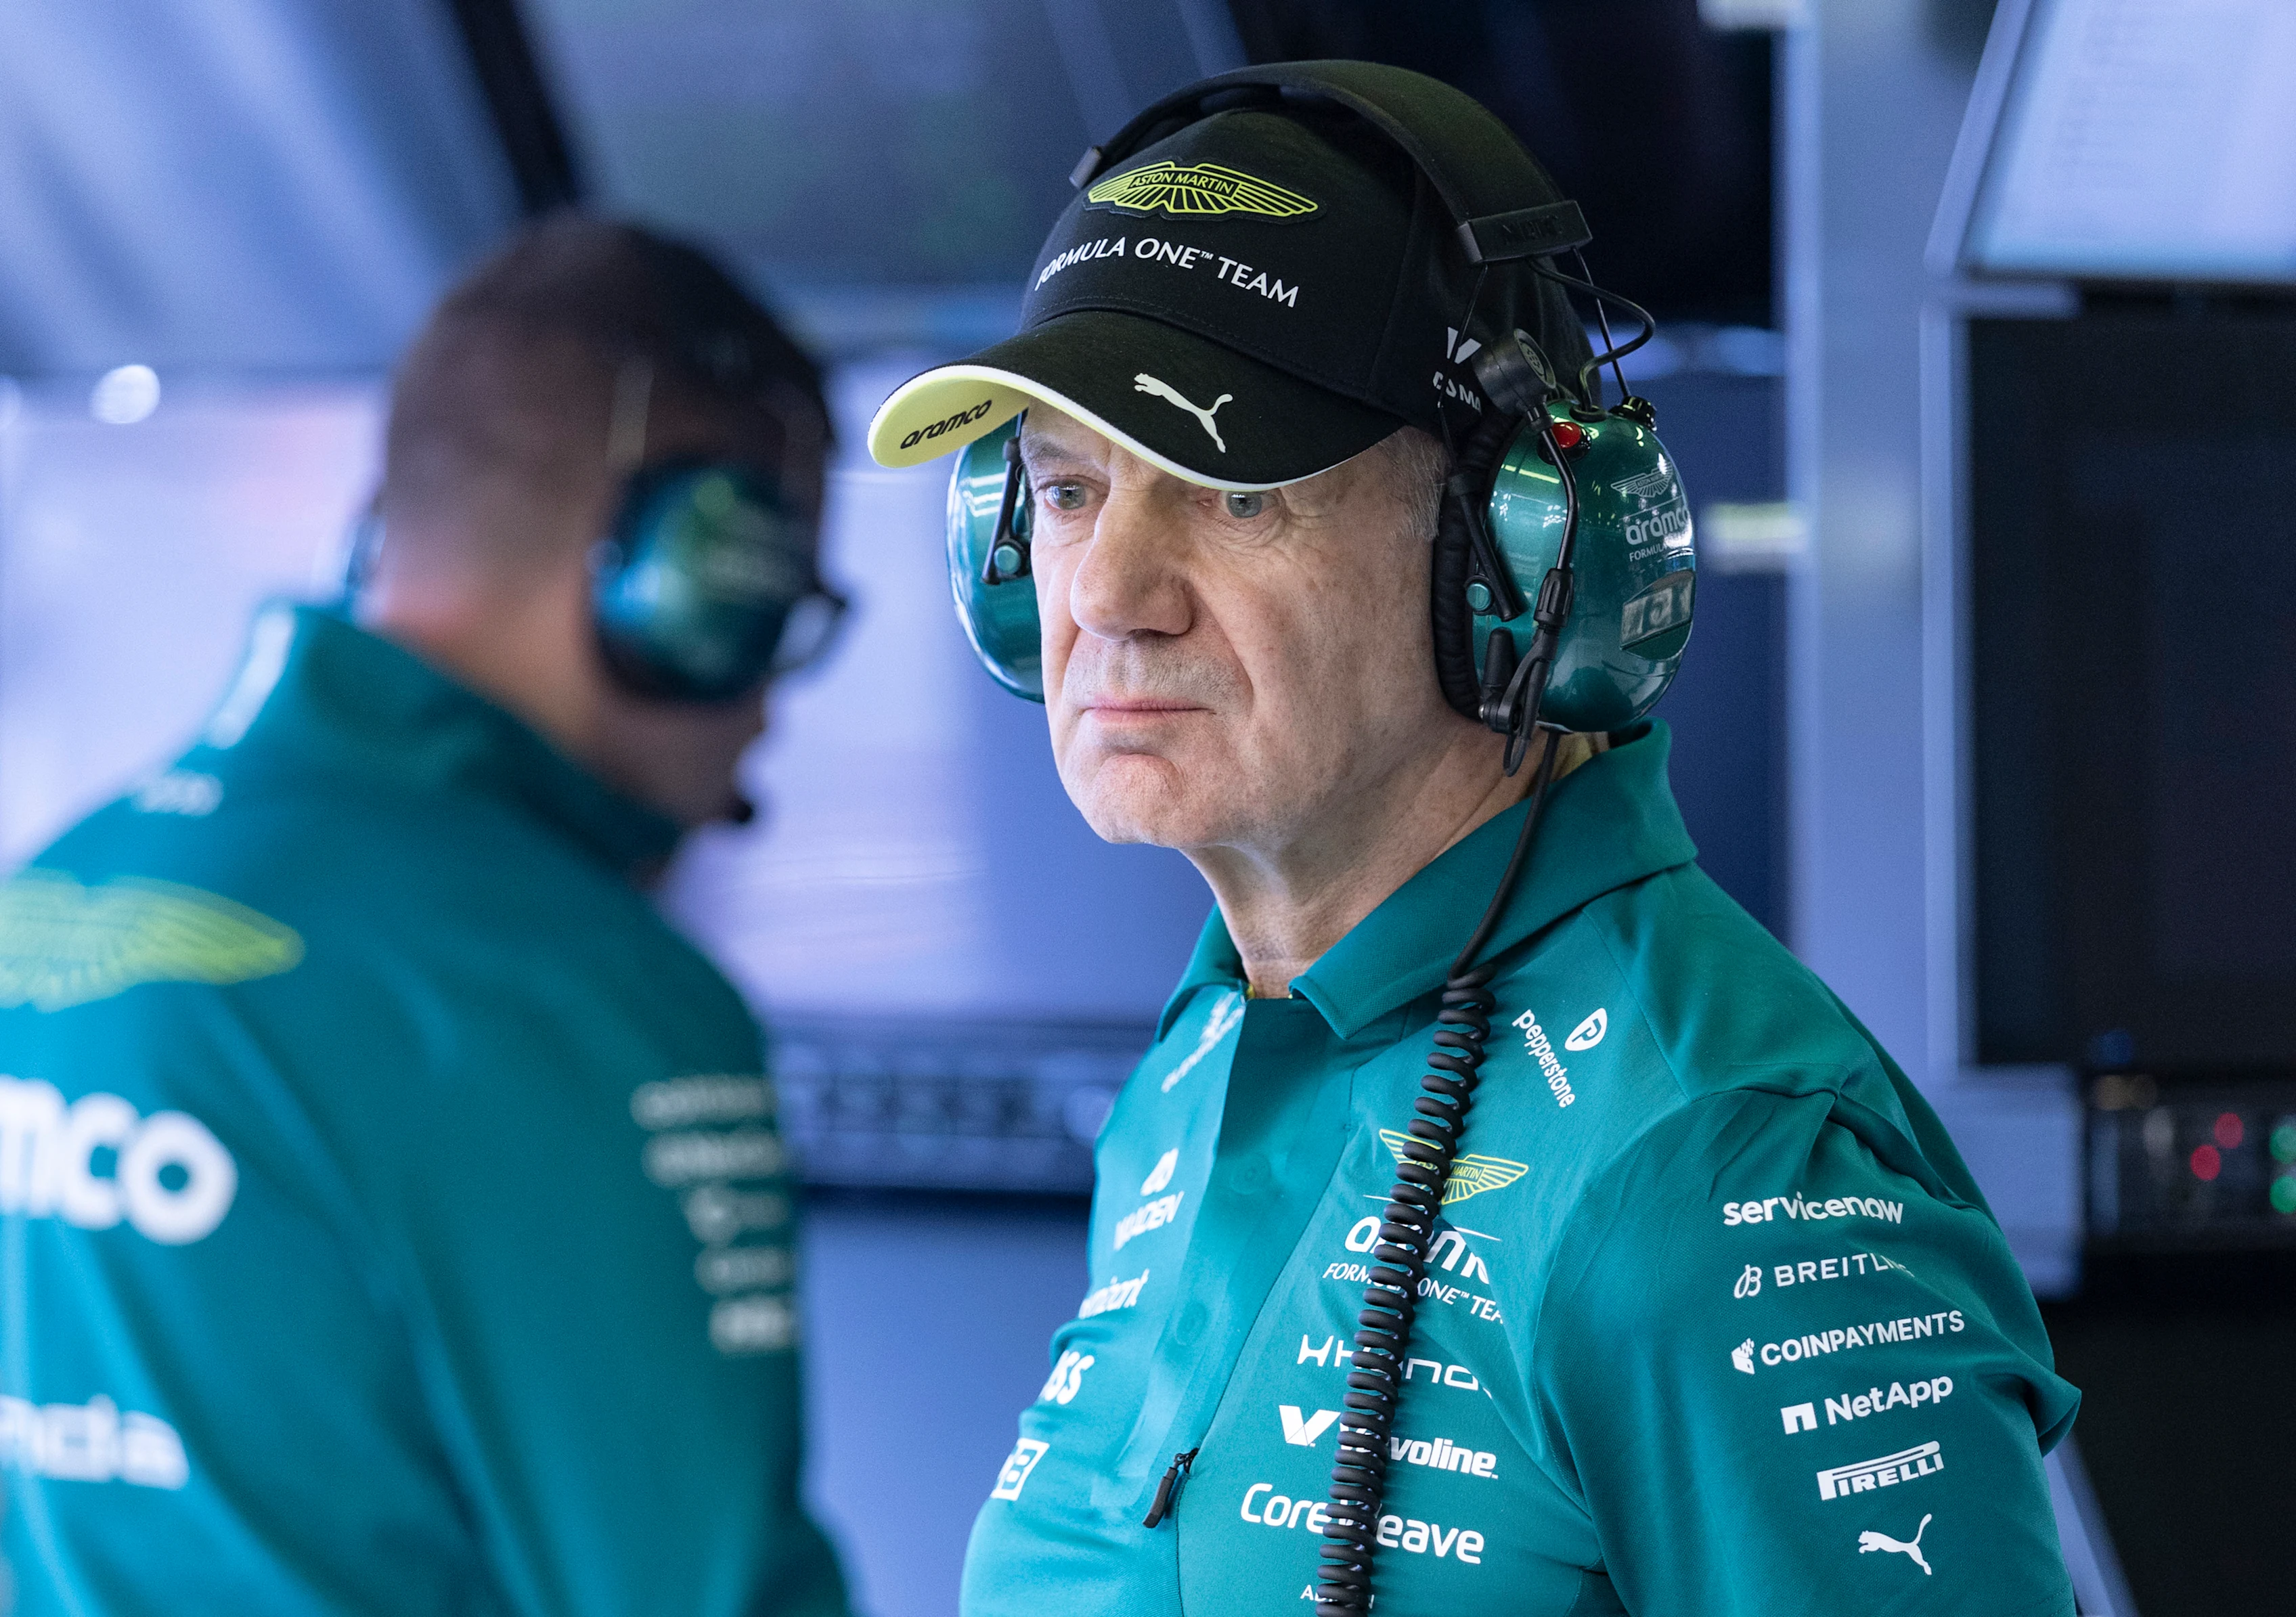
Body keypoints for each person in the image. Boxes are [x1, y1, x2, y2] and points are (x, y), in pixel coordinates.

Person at [865, 62, 2078, 1616]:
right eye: (1069, 489)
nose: (1108, 593)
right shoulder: (1207, 1054)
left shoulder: (1713, 1173)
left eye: (1239, 495)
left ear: (1517, 547)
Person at [0, 217, 850, 1616]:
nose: (769, 706)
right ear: (703, 585)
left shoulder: (51, 894)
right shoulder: (562, 992)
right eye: (787, 605)